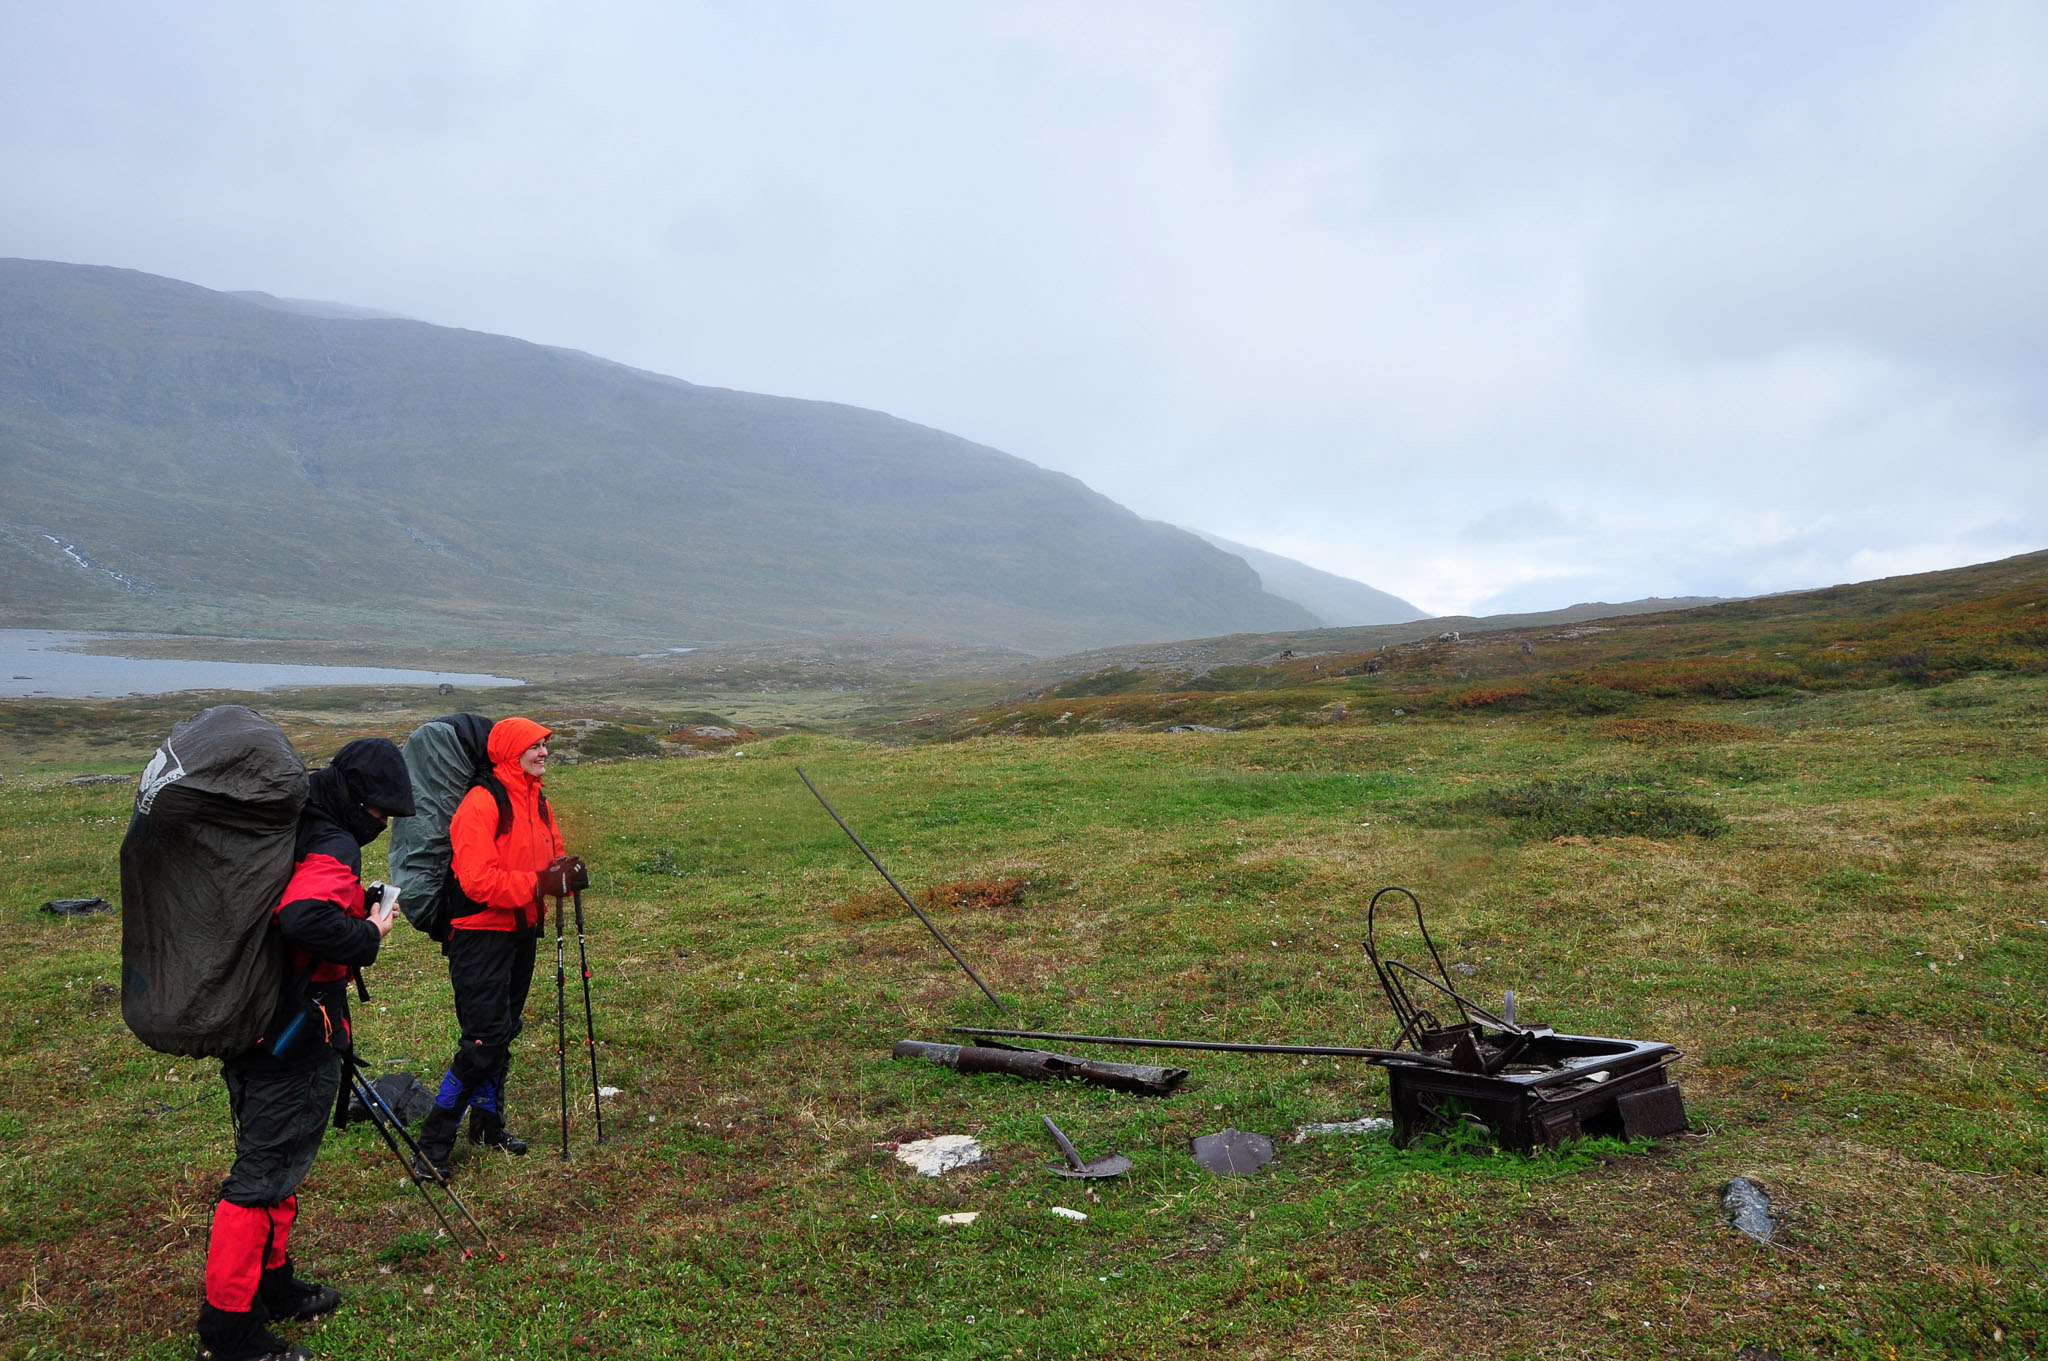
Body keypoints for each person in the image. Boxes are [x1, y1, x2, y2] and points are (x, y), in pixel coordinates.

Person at [197, 739, 414, 1361]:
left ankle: (273, 1284)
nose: (381, 825)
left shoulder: (290, 821)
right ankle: (229, 1332)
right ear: (358, 802)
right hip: (290, 1031)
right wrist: (369, 930)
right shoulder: (333, 841)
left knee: (280, 1161)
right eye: (380, 813)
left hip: (256, 1016)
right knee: (261, 1177)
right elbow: (302, 918)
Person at [413, 716, 577, 1177]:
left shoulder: (536, 800)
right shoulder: (481, 803)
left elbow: (550, 856)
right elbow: (477, 880)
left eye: (545, 744)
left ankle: (487, 1125)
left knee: (503, 1032)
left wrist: (564, 873)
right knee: (483, 1042)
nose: (544, 752)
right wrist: (539, 883)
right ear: (509, 751)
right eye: (534, 745)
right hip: (479, 934)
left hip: (521, 930)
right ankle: (432, 1145)